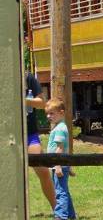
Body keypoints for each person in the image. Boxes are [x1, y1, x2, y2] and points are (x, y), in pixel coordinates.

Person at [25, 72, 56, 210]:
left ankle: (57, 208)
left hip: (29, 134)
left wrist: (23, 100)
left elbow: (42, 102)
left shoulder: (28, 77)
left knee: (43, 171)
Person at [45, 98, 76, 220]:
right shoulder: (60, 126)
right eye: (47, 113)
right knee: (64, 190)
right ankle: (71, 215)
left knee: (60, 191)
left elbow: (60, 148)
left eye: (52, 113)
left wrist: (57, 165)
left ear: (61, 113)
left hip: (59, 165)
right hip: (62, 165)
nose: (48, 116)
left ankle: (61, 216)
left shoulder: (59, 129)